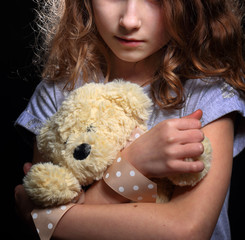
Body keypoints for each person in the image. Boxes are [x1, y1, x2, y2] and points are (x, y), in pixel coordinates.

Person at [14, 0, 245, 239]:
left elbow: (188, 230)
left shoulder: (208, 95)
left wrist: (44, 221)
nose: (129, 21)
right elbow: (51, 201)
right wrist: (133, 163)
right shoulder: (59, 90)